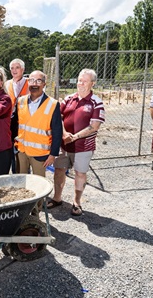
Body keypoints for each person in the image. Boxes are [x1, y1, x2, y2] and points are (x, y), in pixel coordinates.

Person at [48, 68, 105, 216]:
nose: (81, 83)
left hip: (83, 146)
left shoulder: (96, 103)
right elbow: (57, 117)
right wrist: (65, 134)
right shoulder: (68, 99)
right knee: (59, 170)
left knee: (80, 173)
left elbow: (94, 126)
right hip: (64, 144)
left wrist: (74, 136)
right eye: (79, 80)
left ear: (93, 83)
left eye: (85, 81)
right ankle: (57, 198)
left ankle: (77, 202)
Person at [15, 70, 62, 214]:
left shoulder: (52, 104)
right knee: (21, 184)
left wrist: (53, 154)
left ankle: (36, 213)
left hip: (40, 153)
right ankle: (22, 212)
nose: (34, 84)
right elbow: (15, 124)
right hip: (22, 151)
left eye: (38, 81)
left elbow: (57, 131)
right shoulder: (21, 101)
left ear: (44, 84)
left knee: (39, 185)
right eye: (32, 80)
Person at [5, 58, 29, 173]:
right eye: (12, 68)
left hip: (24, 123)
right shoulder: (6, 84)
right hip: (9, 123)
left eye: (17, 67)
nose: (14, 70)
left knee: (22, 152)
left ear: (23, 69)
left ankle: (23, 173)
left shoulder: (30, 83)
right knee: (10, 151)